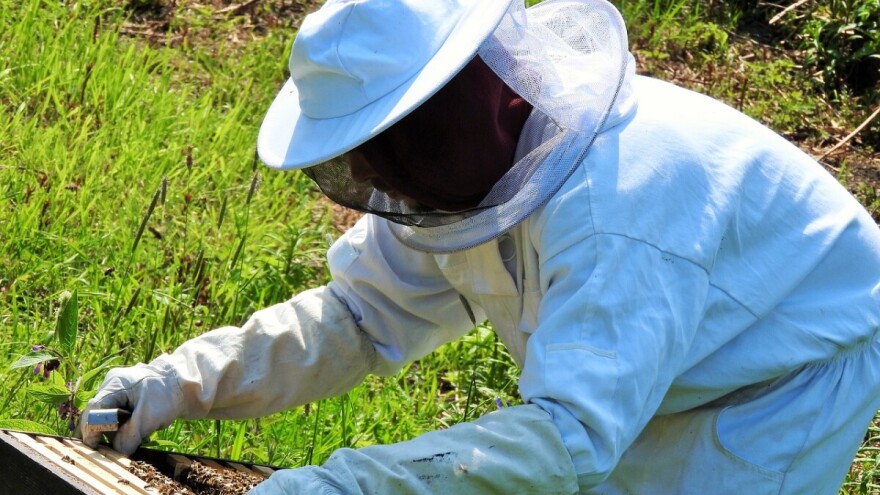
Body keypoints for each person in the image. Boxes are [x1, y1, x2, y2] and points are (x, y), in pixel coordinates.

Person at [79, 0, 880, 493]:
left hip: (779, 376)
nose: (378, 180)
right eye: (362, 157)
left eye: (391, 148)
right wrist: (178, 383)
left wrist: (345, 487)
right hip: (674, 340)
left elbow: (568, 439)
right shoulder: (458, 177)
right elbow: (358, 317)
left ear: (479, 100)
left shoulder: (618, 204)